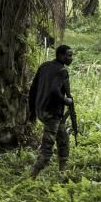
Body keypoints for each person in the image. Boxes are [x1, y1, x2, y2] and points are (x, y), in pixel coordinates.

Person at [28, 44, 75, 178]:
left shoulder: (44, 66)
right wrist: (66, 101)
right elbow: (55, 90)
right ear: (61, 56)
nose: (71, 58)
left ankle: (63, 172)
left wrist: (32, 110)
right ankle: (32, 176)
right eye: (69, 55)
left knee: (63, 139)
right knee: (47, 148)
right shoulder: (62, 71)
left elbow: (33, 88)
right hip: (52, 113)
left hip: (40, 110)